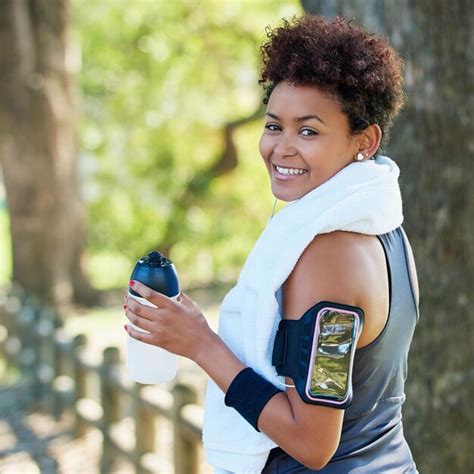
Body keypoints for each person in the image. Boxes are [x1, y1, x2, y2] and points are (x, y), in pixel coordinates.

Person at [124, 14, 420, 473]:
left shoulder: (332, 255)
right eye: (273, 125)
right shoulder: (384, 229)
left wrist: (200, 344)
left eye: (308, 131)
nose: (282, 148)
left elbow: (312, 441)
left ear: (364, 140)